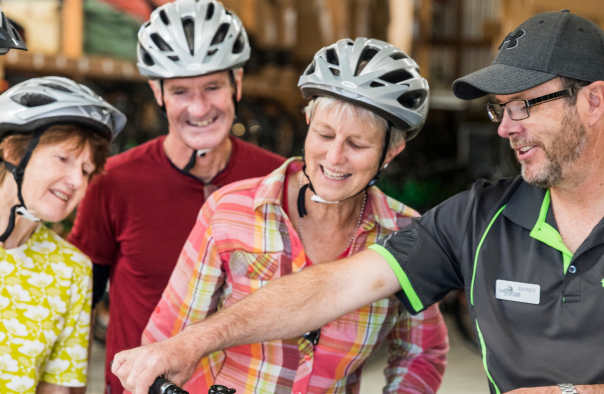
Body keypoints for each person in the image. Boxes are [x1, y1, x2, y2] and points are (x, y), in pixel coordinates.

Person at [112, 9, 604, 394]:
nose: (505, 128)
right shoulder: (476, 217)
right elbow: (334, 287)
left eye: (525, 105)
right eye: (501, 109)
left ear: (593, 101)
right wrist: (193, 343)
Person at [142, 37, 448, 393]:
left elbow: (423, 351)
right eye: (324, 134)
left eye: (357, 144)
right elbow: (165, 342)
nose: (334, 157)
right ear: (307, 121)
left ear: (391, 151)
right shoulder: (230, 211)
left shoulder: (406, 233)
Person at [67, 1, 285, 393]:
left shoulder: (279, 179)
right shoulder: (114, 182)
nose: (199, 107)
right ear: (157, 90)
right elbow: (75, 308)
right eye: (181, 90)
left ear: (237, 81)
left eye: (213, 86)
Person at [0, 76, 126, 394]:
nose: (75, 180)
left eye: (86, 170)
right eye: (64, 158)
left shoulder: (72, 270)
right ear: (12, 151)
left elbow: (57, 388)